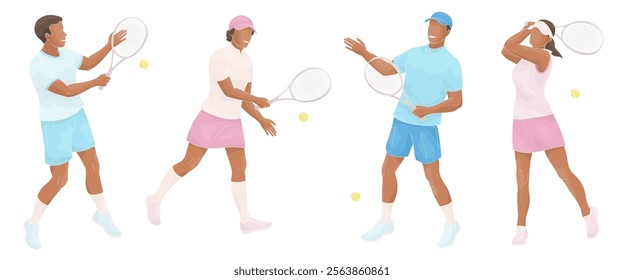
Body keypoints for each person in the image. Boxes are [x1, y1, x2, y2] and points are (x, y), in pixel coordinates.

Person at [344, 11, 463, 247]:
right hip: (401, 122)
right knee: (387, 169)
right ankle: (385, 221)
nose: (433, 30)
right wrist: (363, 53)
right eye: (431, 25)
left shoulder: (451, 63)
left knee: (432, 176)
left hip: (425, 127)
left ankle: (451, 224)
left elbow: (457, 101)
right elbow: (387, 70)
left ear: (448, 31)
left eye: (439, 27)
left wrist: (428, 110)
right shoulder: (414, 53)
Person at [146, 15, 274, 233]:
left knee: (240, 166)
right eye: (242, 32)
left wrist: (261, 119)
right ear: (232, 32)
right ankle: (155, 199)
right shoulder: (218, 57)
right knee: (190, 163)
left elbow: (244, 100)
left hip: (233, 122)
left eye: (250, 33)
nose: (246, 37)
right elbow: (229, 90)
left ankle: (245, 221)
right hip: (211, 118)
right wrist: (257, 99)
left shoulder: (248, 61)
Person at [26, 15, 126, 249]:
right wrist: (95, 82)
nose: (65, 34)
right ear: (47, 36)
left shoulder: (67, 53)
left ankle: (102, 214)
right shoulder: (38, 66)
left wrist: (109, 45)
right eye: (60, 31)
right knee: (60, 179)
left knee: (93, 165)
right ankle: (33, 224)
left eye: (64, 30)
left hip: (77, 118)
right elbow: (66, 91)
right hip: (54, 125)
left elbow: (89, 62)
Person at [501, 19, 599, 245]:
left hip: (542, 121)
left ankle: (587, 213)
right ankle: (521, 227)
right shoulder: (525, 57)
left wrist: (523, 29)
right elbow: (505, 50)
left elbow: (510, 43)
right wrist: (524, 29)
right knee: (522, 178)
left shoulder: (543, 56)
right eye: (532, 32)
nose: (532, 35)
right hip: (520, 122)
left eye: (537, 32)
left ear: (547, 38)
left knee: (563, 171)